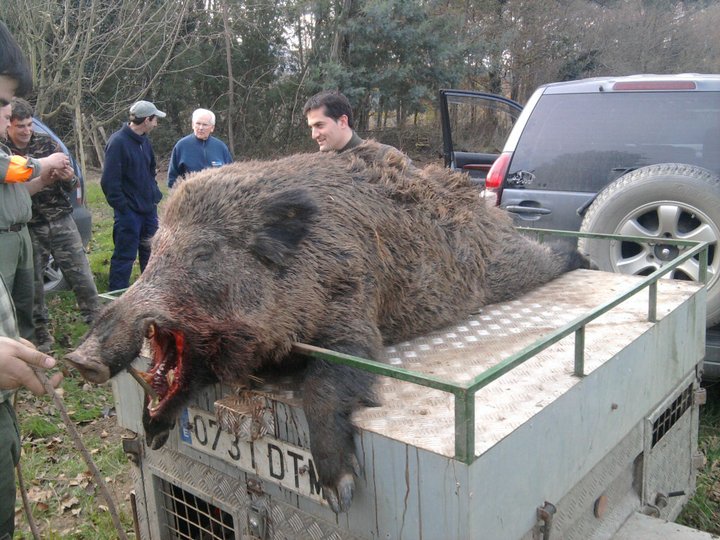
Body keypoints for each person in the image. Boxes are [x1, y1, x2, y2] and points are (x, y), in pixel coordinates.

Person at [0, 21, 64, 540]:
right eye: (1, 105)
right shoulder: (10, 155)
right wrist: (42, 162)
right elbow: (16, 171)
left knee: (24, 308)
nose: (4, 117)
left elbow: (27, 181)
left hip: (20, 232)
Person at [4, 98, 101, 352]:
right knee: (33, 286)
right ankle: (41, 338)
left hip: (60, 218)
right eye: (19, 126)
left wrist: (68, 178)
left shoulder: (46, 143)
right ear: (8, 126)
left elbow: (70, 184)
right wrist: (43, 178)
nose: (26, 131)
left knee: (82, 277)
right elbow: (15, 193)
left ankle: (97, 330)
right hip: (31, 225)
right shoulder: (5, 151)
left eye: (28, 125)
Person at [101, 100, 165, 291]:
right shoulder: (118, 142)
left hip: (148, 211)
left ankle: (150, 294)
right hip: (128, 214)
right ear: (146, 120)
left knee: (151, 254)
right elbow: (109, 182)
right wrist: (124, 209)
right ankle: (116, 297)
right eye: (155, 120)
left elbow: (151, 169)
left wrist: (153, 194)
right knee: (124, 257)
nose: (156, 124)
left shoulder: (144, 141)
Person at [167, 108, 232, 188]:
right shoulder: (181, 146)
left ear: (212, 128)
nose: (201, 128)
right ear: (192, 125)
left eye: (205, 125)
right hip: (190, 197)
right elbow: (172, 179)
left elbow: (231, 175)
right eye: (198, 123)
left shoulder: (221, 147)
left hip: (217, 197)